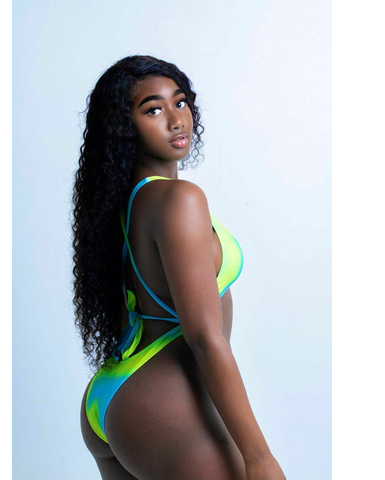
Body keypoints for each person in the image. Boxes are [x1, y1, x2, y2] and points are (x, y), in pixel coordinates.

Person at [72, 55, 286, 480]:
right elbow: (204, 337)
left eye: (180, 102)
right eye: (153, 110)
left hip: (121, 398)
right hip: (166, 401)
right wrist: (259, 458)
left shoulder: (126, 203)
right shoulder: (178, 199)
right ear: (123, 126)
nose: (176, 120)